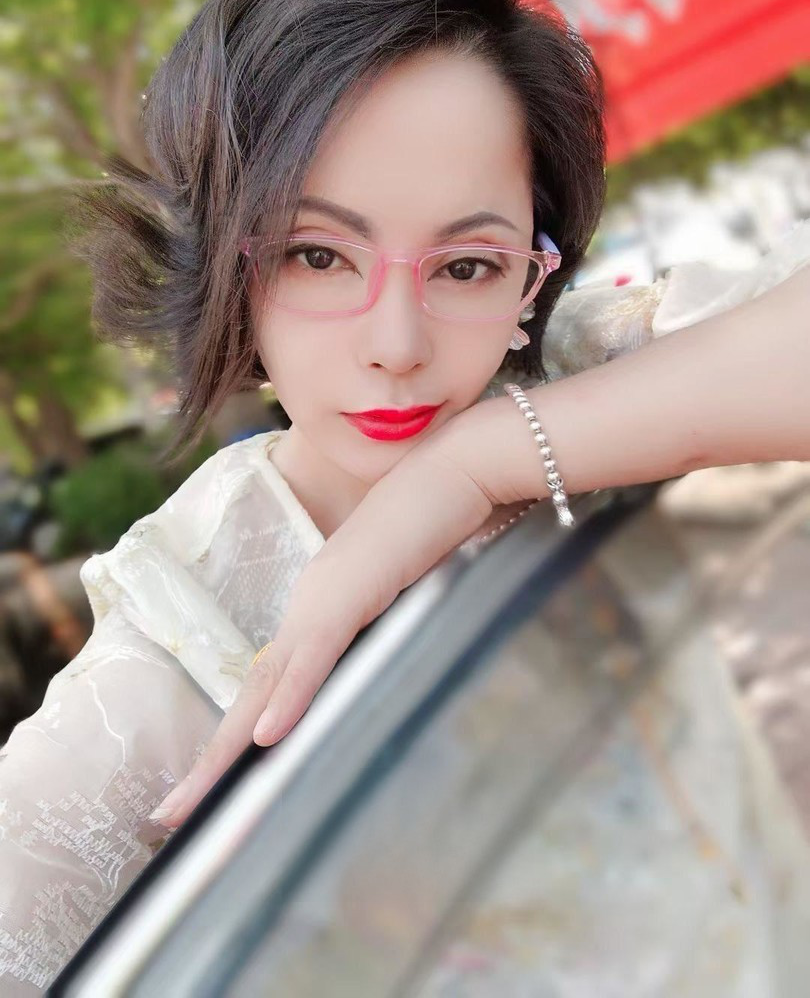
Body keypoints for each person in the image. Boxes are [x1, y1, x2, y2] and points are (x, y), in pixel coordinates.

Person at [0, 0, 809, 991]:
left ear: (532, 276)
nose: (397, 343)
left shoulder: (580, 379)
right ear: (225, 266)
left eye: (466, 265)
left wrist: (480, 462)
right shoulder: (174, 649)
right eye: (316, 254)